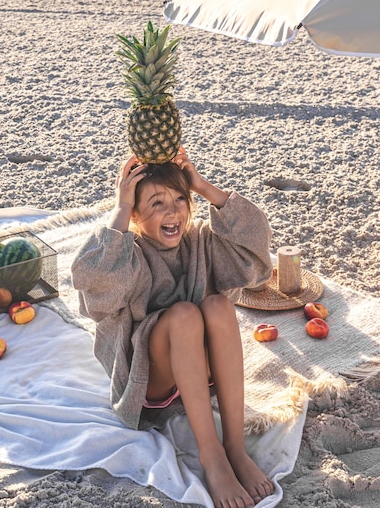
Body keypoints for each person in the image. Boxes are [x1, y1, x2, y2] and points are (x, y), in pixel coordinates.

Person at [71, 147, 274, 508]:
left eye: (180, 199)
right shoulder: (129, 251)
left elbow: (257, 248)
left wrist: (204, 187)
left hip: (200, 367)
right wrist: (119, 208)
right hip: (153, 377)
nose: (172, 211)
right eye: (157, 203)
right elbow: (90, 283)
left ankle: (234, 448)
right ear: (134, 214)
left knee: (219, 304)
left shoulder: (199, 241)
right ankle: (212, 458)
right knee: (182, 314)